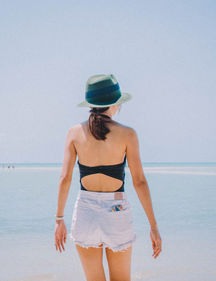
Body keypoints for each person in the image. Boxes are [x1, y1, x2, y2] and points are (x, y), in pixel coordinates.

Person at [54, 74, 162, 281]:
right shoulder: (127, 134)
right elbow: (139, 181)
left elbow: (64, 179)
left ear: (91, 104)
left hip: (85, 211)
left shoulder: (74, 132)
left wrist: (59, 219)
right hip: (117, 210)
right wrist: (153, 227)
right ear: (114, 104)